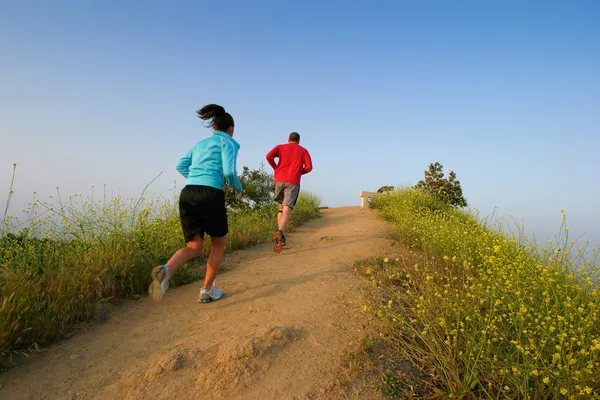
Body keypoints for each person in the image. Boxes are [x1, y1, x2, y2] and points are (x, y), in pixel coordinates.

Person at [148, 104, 242, 303]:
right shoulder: (230, 143)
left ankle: (166, 270)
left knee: (193, 246)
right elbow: (229, 172)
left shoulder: (200, 144)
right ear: (231, 129)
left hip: (188, 192)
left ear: (213, 127)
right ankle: (207, 290)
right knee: (218, 244)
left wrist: (196, 178)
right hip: (211, 193)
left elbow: (180, 165)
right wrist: (238, 186)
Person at [265, 132, 313, 252]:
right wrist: (298, 172)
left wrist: (276, 168)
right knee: (287, 208)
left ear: (288, 139)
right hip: (292, 182)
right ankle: (280, 232)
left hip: (279, 180)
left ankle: (281, 238)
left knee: (280, 208)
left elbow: (268, 156)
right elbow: (309, 167)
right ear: (299, 140)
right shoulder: (303, 151)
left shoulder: (280, 147)